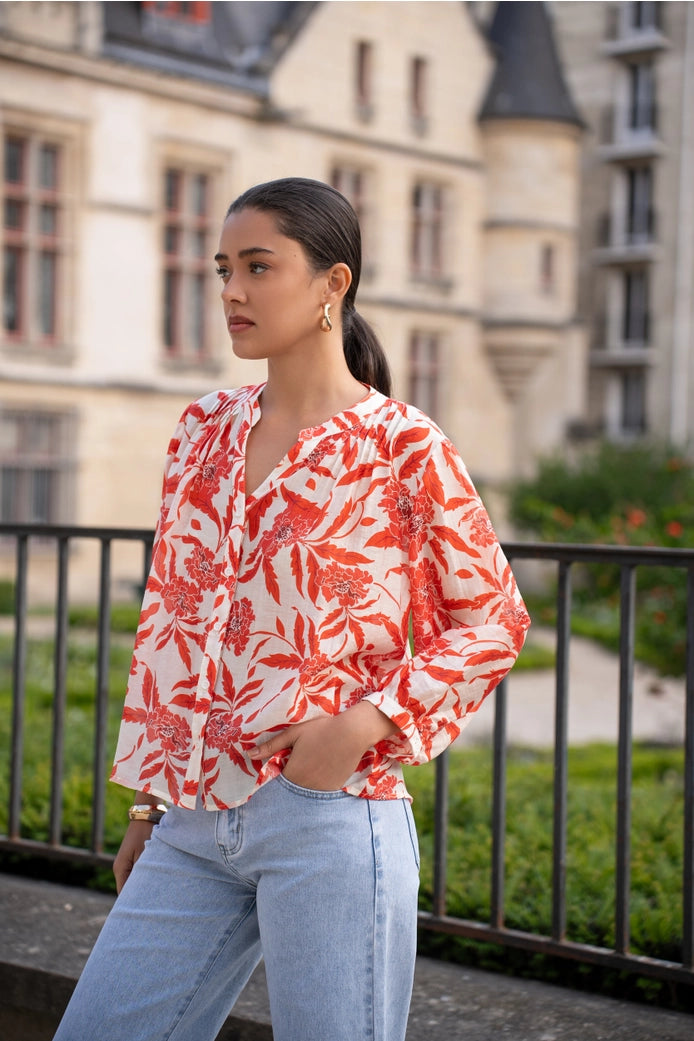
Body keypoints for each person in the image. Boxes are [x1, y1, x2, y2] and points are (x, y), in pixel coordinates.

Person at [53, 177, 530, 1041]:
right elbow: (176, 625)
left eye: (258, 266)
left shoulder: (402, 444)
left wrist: (363, 724)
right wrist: (151, 805)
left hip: (330, 818)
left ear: (331, 284)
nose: (231, 291)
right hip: (192, 822)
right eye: (223, 269)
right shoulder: (203, 429)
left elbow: (494, 618)